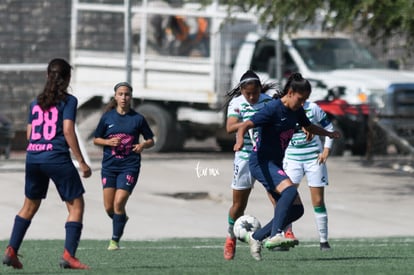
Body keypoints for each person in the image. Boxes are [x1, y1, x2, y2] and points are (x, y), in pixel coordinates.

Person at [234, 72, 340, 260]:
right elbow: (244, 125)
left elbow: (309, 126)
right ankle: (275, 235)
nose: (302, 103)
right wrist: (240, 140)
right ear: (290, 93)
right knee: (289, 192)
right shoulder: (273, 109)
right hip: (261, 162)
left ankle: (256, 237)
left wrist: (328, 134)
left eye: (306, 100)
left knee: (296, 210)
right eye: (300, 99)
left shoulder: (296, 109)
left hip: (275, 163)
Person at [2, 58, 92, 270]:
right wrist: (81, 161)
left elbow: (30, 133)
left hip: (33, 157)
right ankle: (69, 256)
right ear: (68, 78)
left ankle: (11, 250)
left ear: (47, 76)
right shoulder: (68, 101)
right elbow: (68, 130)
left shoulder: (35, 102)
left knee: (29, 206)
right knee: (76, 205)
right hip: (56, 157)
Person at [93, 82, 154, 251]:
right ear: (115, 96)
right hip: (109, 166)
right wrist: (107, 141)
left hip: (129, 166)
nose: (124, 97)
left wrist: (142, 145)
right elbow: (96, 139)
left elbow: (150, 140)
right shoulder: (107, 118)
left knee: (118, 203)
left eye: (127, 94)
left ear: (131, 97)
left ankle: (114, 241)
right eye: (120, 94)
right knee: (108, 207)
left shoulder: (138, 119)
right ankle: (121, 219)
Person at [223, 70, 275, 260]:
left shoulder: (269, 102)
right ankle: (230, 237)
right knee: (239, 204)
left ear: (260, 89)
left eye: (254, 93)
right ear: (242, 91)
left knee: (277, 196)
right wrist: (251, 123)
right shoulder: (236, 103)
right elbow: (229, 127)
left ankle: (279, 233)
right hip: (244, 156)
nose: (251, 97)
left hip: (266, 156)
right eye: (248, 94)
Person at [283, 100, 334, 251]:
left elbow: (329, 127)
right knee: (287, 198)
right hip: (292, 160)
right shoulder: (284, 109)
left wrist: (326, 150)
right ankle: (287, 234)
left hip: (314, 160)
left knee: (318, 201)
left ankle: (324, 241)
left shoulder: (313, 108)